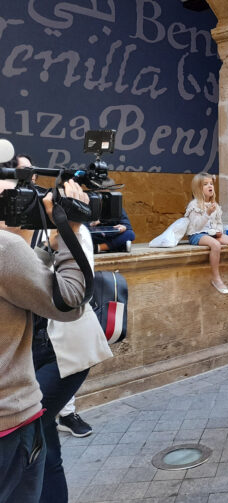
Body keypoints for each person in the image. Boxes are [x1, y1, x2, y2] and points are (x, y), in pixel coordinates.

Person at [0, 154, 89, 503]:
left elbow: (17, 283)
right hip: (10, 422)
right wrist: (70, 230)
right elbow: (69, 301)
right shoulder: (5, 250)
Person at [32, 226, 112, 503]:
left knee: (35, 421)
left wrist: (66, 234)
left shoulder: (62, 227)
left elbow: (75, 292)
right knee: (41, 436)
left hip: (61, 345)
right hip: (26, 351)